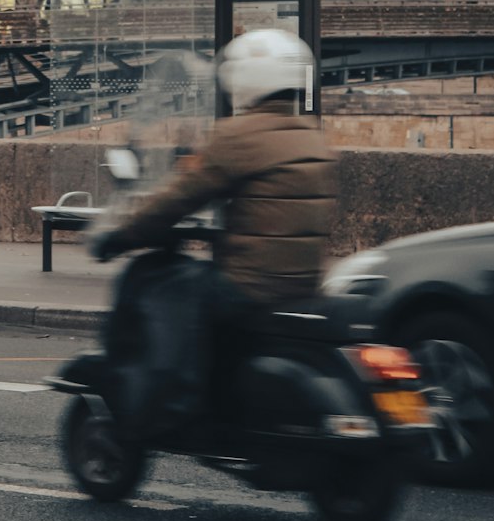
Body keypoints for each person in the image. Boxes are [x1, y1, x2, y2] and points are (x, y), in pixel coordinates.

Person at [90, 28, 336, 423]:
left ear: (244, 79)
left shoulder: (240, 135)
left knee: (170, 289)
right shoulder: (311, 137)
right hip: (303, 285)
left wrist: (123, 234)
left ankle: (177, 398)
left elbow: (178, 198)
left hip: (250, 286)